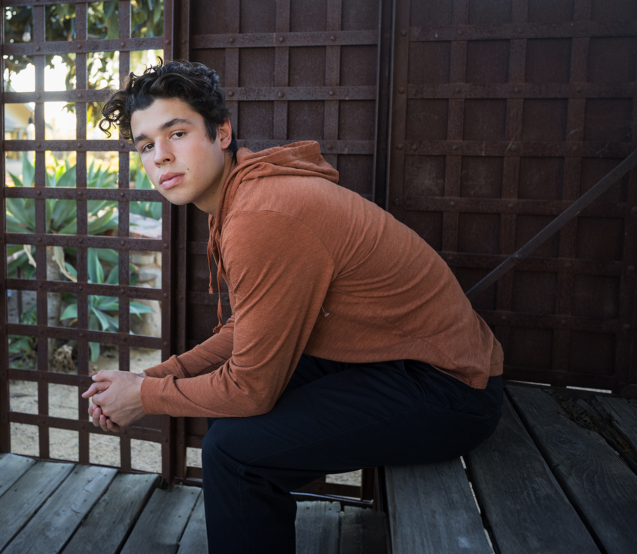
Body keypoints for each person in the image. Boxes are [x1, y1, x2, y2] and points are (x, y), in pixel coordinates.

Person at [81, 59, 504, 553]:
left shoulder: (262, 215)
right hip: (393, 359)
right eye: (146, 146)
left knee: (234, 453)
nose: (161, 158)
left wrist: (144, 398)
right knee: (231, 428)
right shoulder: (245, 195)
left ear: (221, 133)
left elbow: (251, 389)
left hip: (450, 388)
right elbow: (247, 332)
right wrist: (150, 380)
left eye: (176, 133)